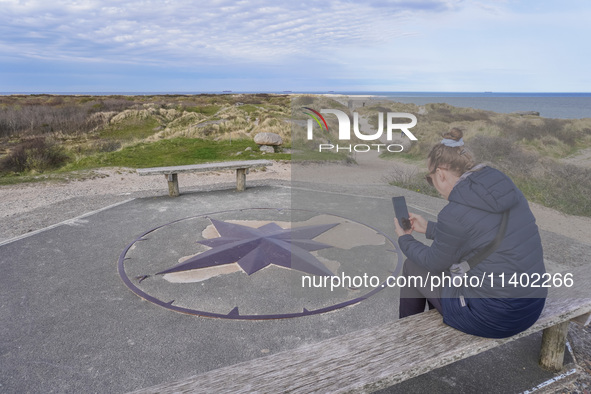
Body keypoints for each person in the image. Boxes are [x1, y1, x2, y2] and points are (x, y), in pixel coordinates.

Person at [394, 128, 547, 339]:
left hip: (495, 318)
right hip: (532, 306)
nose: (434, 186)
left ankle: (405, 337)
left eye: (430, 180)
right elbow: (477, 233)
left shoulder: (454, 213)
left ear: (441, 174)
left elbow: (433, 262)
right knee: (449, 271)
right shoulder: (503, 188)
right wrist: (428, 228)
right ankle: (425, 327)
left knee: (413, 267)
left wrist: (405, 238)